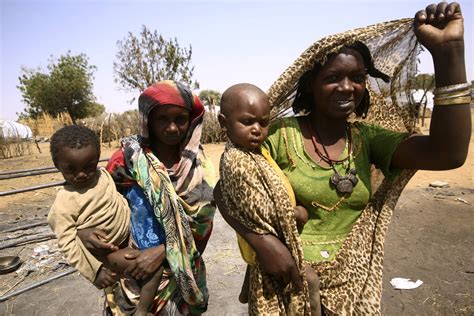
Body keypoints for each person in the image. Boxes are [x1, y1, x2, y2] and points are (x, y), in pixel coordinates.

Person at [215, 2, 470, 314]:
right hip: (284, 283)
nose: (348, 87)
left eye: (358, 77)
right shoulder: (279, 135)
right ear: (309, 83)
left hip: (354, 286)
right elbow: (224, 192)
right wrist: (262, 243)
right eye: (333, 77)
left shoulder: (367, 140)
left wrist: (450, 54)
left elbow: (448, 153)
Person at [78, 80, 216, 315]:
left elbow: (201, 227)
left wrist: (162, 251)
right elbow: (99, 205)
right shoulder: (126, 160)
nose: (172, 128)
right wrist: (85, 231)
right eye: (162, 119)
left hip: (180, 278)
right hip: (131, 273)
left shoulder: (200, 168)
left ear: (191, 120)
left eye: (180, 119)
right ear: (147, 119)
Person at [218, 83, 322, 315]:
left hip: (268, 246)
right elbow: (261, 211)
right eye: (247, 122)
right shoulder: (238, 161)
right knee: (304, 285)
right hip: (271, 247)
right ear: (224, 123)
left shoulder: (254, 152)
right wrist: (297, 214)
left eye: (263, 123)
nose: (257, 129)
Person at [47, 125, 163, 316]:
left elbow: (118, 198)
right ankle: (142, 311)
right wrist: (95, 272)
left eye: (88, 166)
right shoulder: (63, 203)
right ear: (57, 164)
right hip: (108, 252)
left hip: (130, 238)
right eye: (71, 169)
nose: (81, 174)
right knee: (153, 270)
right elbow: (68, 243)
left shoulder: (103, 176)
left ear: (97, 158)